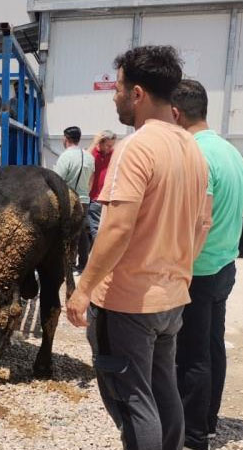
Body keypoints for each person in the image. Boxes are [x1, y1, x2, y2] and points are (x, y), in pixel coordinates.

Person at [66, 45, 210, 450]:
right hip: (171, 297)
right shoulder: (192, 149)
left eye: (118, 88)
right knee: (163, 390)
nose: (114, 96)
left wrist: (83, 288)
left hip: (129, 302)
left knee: (131, 400)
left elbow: (117, 229)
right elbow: (202, 225)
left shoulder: (136, 147)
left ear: (138, 94)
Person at [172, 79, 243, 450]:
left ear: (176, 113)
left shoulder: (196, 153)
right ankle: (210, 421)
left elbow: (203, 218)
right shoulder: (231, 152)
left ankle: (194, 435)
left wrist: (181, 265)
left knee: (192, 355)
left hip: (198, 269)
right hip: (225, 265)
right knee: (213, 346)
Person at [52, 126, 94, 274]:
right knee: (82, 233)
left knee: (67, 233)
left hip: (69, 200)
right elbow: (91, 181)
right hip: (84, 199)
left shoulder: (65, 156)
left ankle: (67, 264)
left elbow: (57, 179)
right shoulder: (89, 156)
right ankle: (83, 265)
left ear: (66, 138)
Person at [87, 130, 118, 240]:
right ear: (101, 142)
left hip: (108, 199)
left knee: (106, 230)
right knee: (95, 231)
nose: (110, 148)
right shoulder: (92, 154)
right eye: (108, 145)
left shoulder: (112, 154)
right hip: (94, 198)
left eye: (112, 146)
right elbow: (86, 158)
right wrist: (94, 143)